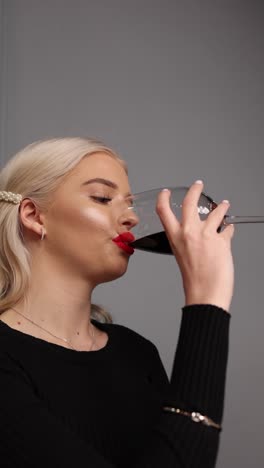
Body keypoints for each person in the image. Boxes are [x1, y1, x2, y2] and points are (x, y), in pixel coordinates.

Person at [0, 137, 234, 468]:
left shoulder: (136, 353)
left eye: (127, 203)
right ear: (33, 215)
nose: (132, 220)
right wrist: (206, 302)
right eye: (102, 198)